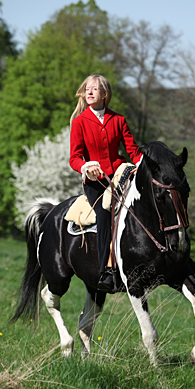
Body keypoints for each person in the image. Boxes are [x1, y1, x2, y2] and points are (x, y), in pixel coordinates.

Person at [69, 74, 141, 292]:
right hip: (94, 182)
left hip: (119, 174)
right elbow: (74, 157)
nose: (89, 92)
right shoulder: (79, 122)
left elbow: (133, 150)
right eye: (87, 89)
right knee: (104, 212)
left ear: (104, 94)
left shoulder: (119, 120)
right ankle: (106, 271)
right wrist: (85, 166)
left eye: (94, 89)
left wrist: (141, 164)